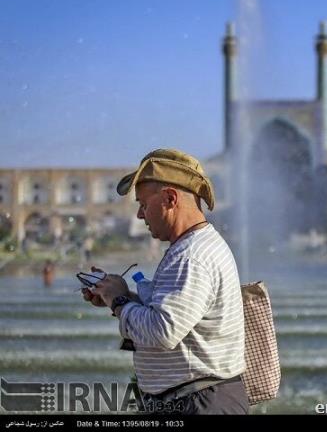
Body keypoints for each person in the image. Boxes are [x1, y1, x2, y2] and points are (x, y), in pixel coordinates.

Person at [81, 149, 248, 415]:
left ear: (170, 198)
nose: (139, 215)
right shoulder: (193, 247)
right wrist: (121, 298)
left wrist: (119, 301)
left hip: (197, 402)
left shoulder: (191, 256)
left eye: (143, 204)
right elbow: (176, 318)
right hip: (198, 398)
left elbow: (162, 332)